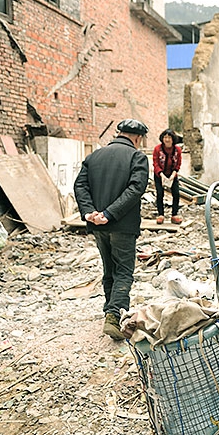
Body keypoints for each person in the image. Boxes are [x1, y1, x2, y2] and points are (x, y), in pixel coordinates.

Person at [74, 119, 150, 341]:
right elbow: (135, 189)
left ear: (119, 133)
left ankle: (110, 311)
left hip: (98, 226)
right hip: (122, 226)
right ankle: (114, 315)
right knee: (124, 271)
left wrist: (91, 213)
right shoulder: (137, 157)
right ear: (137, 138)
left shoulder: (94, 156)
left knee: (109, 269)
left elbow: (80, 185)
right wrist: (110, 214)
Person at [152, 128, 182, 225]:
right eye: (165, 137)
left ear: (173, 139)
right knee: (160, 194)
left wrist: (173, 175)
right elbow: (155, 163)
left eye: (169, 137)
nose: (167, 139)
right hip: (159, 174)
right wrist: (161, 175)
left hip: (172, 174)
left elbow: (178, 164)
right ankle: (161, 215)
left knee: (176, 193)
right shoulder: (157, 149)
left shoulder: (177, 149)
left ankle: (174, 215)